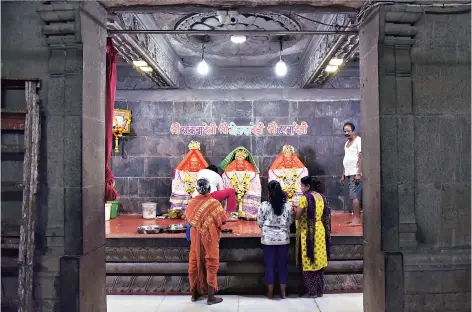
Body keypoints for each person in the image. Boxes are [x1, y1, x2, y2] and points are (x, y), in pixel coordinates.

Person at [185, 178, 227, 305]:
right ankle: (210, 297)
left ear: (197, 189)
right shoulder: (215, 203)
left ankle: (194, 294)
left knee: (194, 261)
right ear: (209, 189)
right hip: (209, 235)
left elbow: (188, 218)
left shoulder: (191, 202)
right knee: (211, 261)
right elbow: (223, 220)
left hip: (195, 234)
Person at [294, 176, 331, 298]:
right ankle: (319, 290)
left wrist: (294, 209)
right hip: (320, 230)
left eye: (302, 186)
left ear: (308, 186)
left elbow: (298, 216)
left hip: (308, 232)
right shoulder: (321, 197)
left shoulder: (305, 198)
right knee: (319, 261)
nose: (301, 188)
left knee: (309, 260)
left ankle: (312, 292)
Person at [257, 180, 293, 299]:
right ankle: (283, 293)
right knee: (283, 266)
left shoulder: (264, 205)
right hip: (283, 239)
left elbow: (260, 222)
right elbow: (290, 222)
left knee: (269, 266)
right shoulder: (287, 206)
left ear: (269, 192)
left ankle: (270, 292)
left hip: (268, 240)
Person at [340, 122, 362, 226]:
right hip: (349, 172)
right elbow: (346, 158)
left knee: (355, 196)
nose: (346, 133)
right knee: (353, 196)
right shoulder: (346, 143)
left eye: (348, 131)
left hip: (355, 172)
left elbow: (361, 157)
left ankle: (357, 220)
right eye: (345, 131)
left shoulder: (358, 140)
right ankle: (355, 218)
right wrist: (343, 174)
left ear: (353, 131)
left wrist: (358, 173)